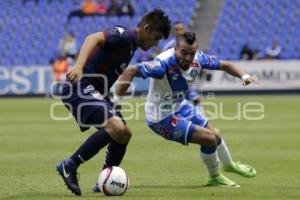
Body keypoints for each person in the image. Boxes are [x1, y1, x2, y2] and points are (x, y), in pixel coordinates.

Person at [114, 32, 258, 187]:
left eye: (192, 53)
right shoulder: (162, 64)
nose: (188, 58)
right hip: (161, 118)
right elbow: (130, 71)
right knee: (209, 139)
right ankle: (215, 177)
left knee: (215, 134)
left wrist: (244, 76)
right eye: (184, 53)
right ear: (176, 49)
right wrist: (116, 101)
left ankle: (229, 165)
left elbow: (225, 65)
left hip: (180, 105)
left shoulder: (198, 59)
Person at [56, 9, 171, 196]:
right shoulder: (124, 35)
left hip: (97, 92)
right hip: (80, 87)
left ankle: (104, 179)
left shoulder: (132, 46)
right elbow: (92, 38)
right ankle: (69, 165)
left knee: (124, 133)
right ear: (147, 28)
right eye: (155, 38)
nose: (154, 44)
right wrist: (77, 66)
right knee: (116, 127)